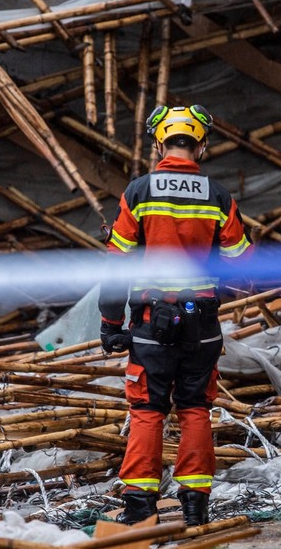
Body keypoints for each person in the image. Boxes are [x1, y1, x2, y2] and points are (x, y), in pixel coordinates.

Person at [98, 104, 253, 526]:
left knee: (148, 410)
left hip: (152, 322)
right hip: (202, 324)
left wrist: (111, 323)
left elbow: (117, 266)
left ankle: (139, 509)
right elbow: (245, 265)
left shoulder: (140, 191)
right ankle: (194, 508)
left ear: (159, 144)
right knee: (194, 409)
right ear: (200, 144)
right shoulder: (219, 196)